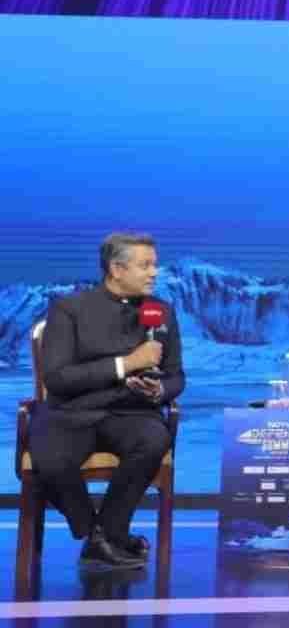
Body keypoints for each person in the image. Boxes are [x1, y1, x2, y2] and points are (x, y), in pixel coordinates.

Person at [33, 232, 183, 570]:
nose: (154, 273)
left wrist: (159, 391)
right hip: (70, 413)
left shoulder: (162, 312)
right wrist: (127, 364)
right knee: (51, 460)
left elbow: (176, 376)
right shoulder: (69, 309)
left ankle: (105, 536)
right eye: (145, 265)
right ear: (116, 269)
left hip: (132, 412)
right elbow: (57, 378)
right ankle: (98, 535)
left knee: (154, 439)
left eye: (155, 265)